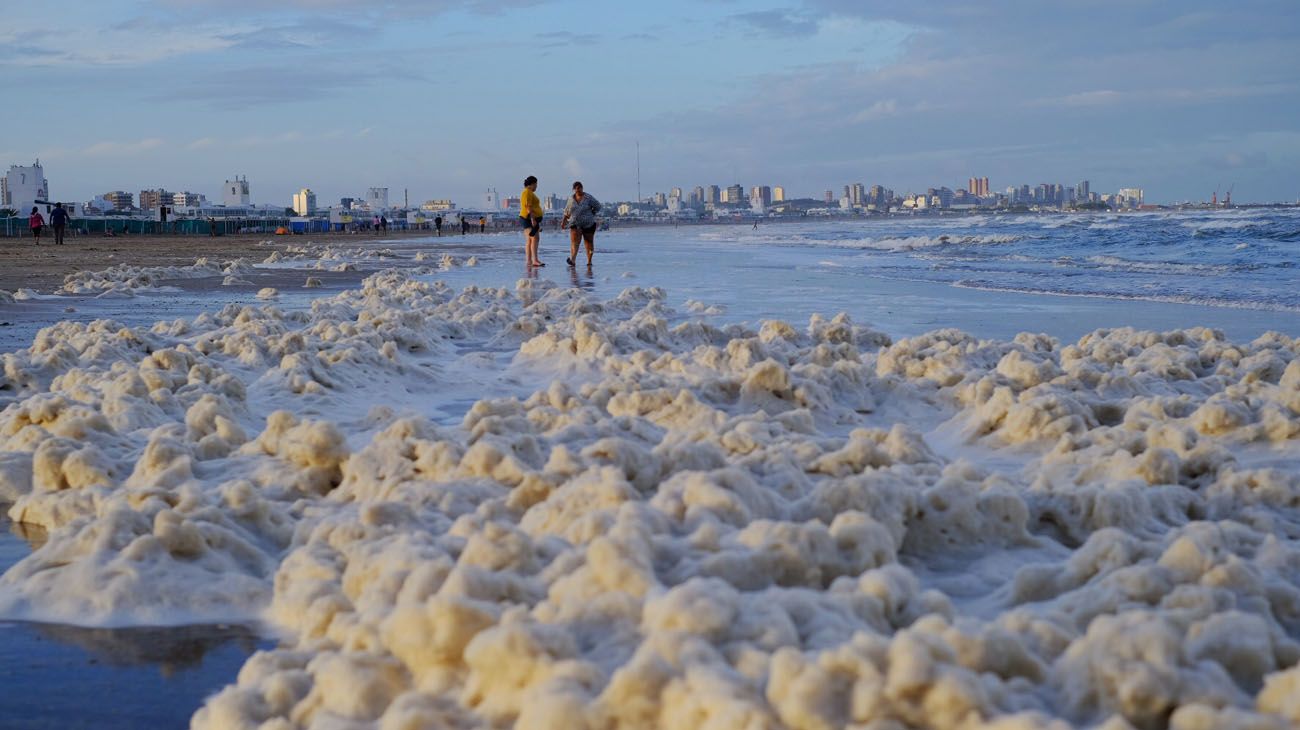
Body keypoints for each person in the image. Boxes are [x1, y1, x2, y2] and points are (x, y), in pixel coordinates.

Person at [561, 181, 602, 267]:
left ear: (582, 188)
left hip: (588, 224)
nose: (578, 190)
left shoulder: (588, 197)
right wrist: (563, 221)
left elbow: (598, 206)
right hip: (575, 223)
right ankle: (572, 260)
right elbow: (567, 211)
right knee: (574, 242)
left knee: (588, 243)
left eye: (580, 188)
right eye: (576, 189)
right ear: (573, 190)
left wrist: (592, 213)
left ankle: (589, 261)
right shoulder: (571, 199)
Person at [519, 176, 544, 266]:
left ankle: (529, 261)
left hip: (529, 218)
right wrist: (533, 219)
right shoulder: (527, 192)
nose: (537, 186)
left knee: (530, 240)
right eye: (536, 184)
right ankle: (535, 260)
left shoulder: (528, 192)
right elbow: (528, 207)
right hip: (528, 218)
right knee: (535, 238)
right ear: (532, 184)